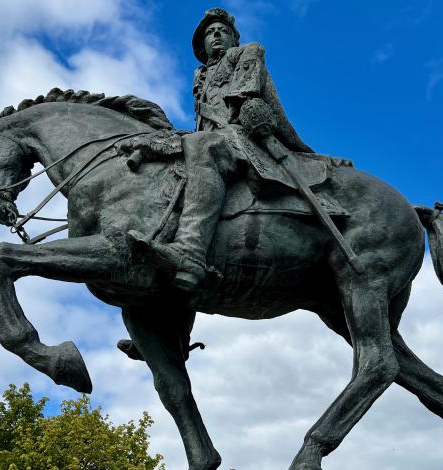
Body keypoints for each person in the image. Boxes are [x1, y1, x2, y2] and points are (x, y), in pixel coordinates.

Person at [131, 7, 313, 291]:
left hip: (244, 137)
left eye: (222, 31)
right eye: (209, 32)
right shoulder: (200, 76)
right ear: (202, 43)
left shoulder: (248, 52)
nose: (215, 34)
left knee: (202, 146)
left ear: (233, 39)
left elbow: (245, 96)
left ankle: (189, 251)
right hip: (212, 139)